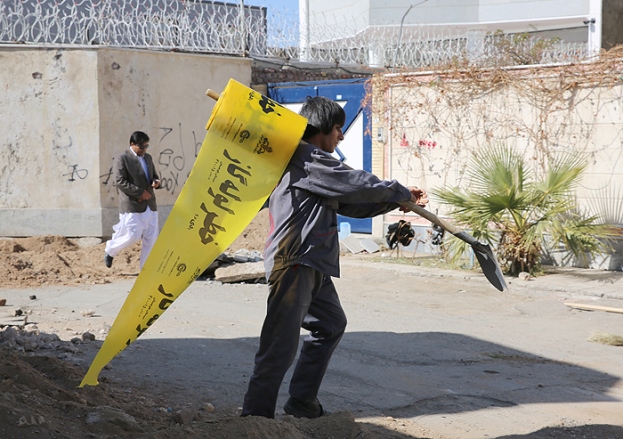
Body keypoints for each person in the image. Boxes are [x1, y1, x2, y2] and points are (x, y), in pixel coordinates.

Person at [241, 96, 429, 419]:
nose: (341, 136)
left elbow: (351, 203)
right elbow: (353, 183)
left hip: (313, 261)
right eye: (338, 129)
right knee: (280, 345)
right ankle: (255, 420)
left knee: (330, 324)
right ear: (324, 129)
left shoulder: (315, 165)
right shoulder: (307, 158)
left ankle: (301, 401)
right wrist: (397, 191)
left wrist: (396, 201)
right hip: (295, 260)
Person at [104, 131, 161, 270]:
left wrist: (156, 181)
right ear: (132, 144)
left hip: (150, 205)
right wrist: (140, 193)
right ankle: (111, 250)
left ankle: (146, 272)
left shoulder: (147, 157)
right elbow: (119, 181)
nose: (145, 149)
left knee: (151, 239)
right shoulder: (122, 158)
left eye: (147, 146)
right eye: (142, 146)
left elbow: (153, 175)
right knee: (132, 235)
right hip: (133, 205)